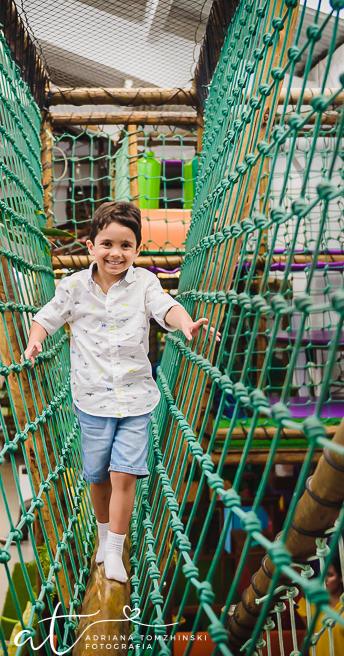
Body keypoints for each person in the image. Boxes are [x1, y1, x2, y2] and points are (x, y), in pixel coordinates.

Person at [24, 201, 212, 583]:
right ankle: (101, 533)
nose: (116, 252)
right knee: (97, 476)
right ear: (90, 245)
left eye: (126, 246)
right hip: (91, 399)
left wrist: (187, 323)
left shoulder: (144, 283)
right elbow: (46, 317)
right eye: (107, 243)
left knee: (123, 474)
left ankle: (114, 550)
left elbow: (165, 308)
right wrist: (35, 341)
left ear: (138, 250)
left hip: (137, 398)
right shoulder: (73, 287)